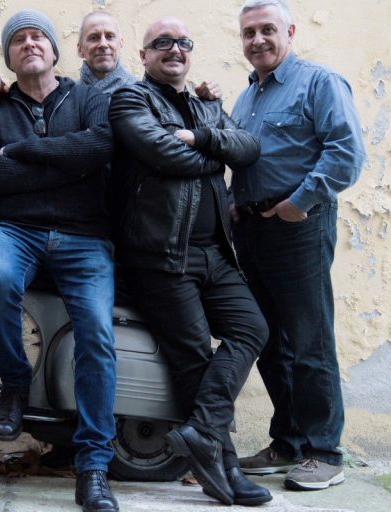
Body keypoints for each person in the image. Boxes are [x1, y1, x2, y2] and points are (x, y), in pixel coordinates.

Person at [109, 17, 271, 507]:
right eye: (162, 43)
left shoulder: (206, 103)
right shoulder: (130, 99)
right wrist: (215, 151)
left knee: (252, 328)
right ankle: (226, 471)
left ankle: (201, 431)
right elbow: (163, 154)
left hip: (216, 252)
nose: (174, 49)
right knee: (195, 358)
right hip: (161, 255)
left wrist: (198, 137)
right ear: (143, 55)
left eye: (182, 42)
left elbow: (249, 147)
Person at [0, 10, 118, 512]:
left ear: (55, 51)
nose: (30, 44)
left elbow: (100, 146)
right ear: (9, 58)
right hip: (16, 230)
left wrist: (24, 150)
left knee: (96, 333)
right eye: (19, 40)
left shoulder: (88, 97)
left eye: (38, 37)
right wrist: (66, 163)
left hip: (84, 237)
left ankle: (93, 465)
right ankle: (16, 381)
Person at [230, 0, 366, 491]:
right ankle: (288, 443)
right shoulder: (246, 97)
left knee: (310, 342)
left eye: (267, 29)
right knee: (271, 343)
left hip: (298, 225)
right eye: (249, 33)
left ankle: (325, 452)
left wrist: (298, 202)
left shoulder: (318, 82)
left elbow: (346, 152)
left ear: (289, 32)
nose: (258, 40)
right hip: (252, 229)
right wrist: (234, 203)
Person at [0, 11, 222, 102]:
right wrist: (4, 90)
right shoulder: (66, 97)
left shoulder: (145, 94)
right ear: (80, 49)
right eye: (94, 37)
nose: (103, 44)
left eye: (110, 37)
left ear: (121, 44)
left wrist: (207, 98)